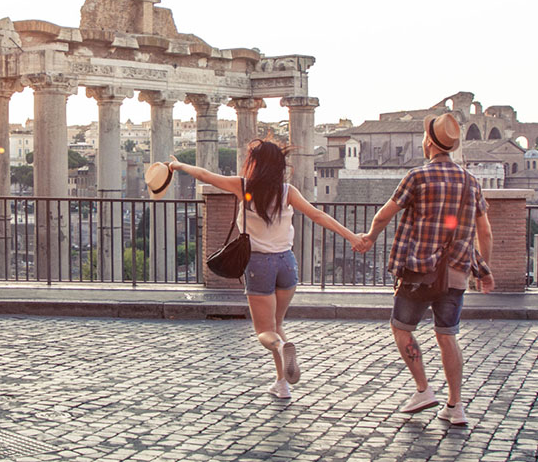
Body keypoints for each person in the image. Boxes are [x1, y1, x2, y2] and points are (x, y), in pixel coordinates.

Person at [169, 139, 365, 400]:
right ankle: (282, 383)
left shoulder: (243, 186)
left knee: (265, 332)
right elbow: (318, 216)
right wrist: (352, 237)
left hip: (259, 264)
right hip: (286, 262)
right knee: (277, 323)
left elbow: (206, 176)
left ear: (255, 164)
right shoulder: (288, 191)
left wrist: (177, 164)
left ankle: (282, 347)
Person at [357, 113, 495, 426]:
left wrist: (369, 237)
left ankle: (423, 389)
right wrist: (482, 270)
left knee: (401, 328)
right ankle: (455, 405)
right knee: (448, 336)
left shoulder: (417, 177)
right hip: (456, 273)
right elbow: (484, 231)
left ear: (429, 143)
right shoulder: (471, 182)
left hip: (418, 271)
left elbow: (384, 215)